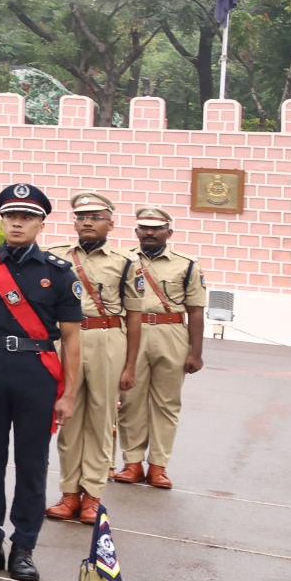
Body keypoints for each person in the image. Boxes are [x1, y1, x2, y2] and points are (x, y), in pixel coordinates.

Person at [0, 183, 83, 581]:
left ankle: (24, 547)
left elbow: (72, 337)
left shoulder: (58, 273)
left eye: (27, 217)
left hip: (36, 373)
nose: (17, 223)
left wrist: (69, 392)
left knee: (31, 464)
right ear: (3, 220)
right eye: (11, 216)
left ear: (41, 224)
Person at [47, 191, 131, 524]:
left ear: (111, 222)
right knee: (67, 418)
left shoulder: (126, 262)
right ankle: (69, 493)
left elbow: (134, 316)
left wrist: (130, 363)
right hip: (67, 339)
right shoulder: (55, 256)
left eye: (95, 217)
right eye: (81, 217)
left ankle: (92, 496)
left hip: (108, 339)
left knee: (100, 420)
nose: (87, 222)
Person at [117, 206, 206, 490]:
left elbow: (196, 309)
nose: (150, 232)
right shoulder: (123, 260)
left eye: (156, 228)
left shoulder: (187, 264)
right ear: (136, 232)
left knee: (167, 403)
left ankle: (158, 466)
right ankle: (132, 463)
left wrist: (196, 352)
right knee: (130, 400)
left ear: (169, 231)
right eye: (144, 228)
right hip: (132, 332)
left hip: (172, 333)